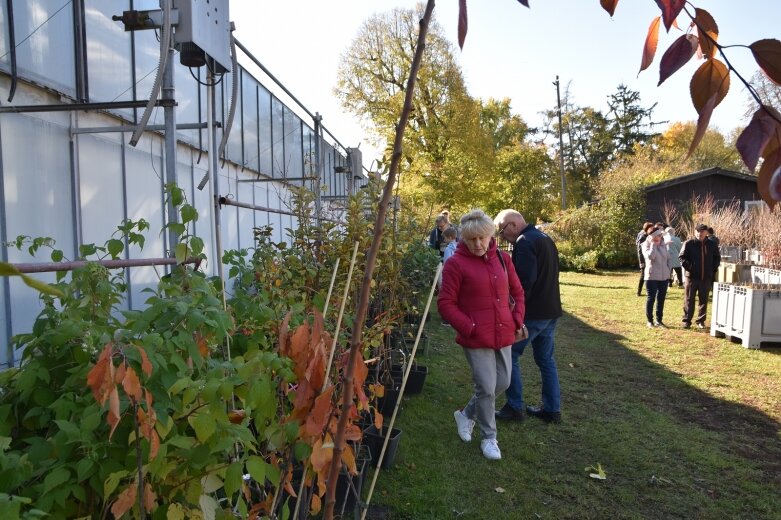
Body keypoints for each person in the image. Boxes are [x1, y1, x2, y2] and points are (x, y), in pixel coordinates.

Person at [438, 209, 527, 460]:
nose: (478, 244)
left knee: (504, 382)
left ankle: (466, 415)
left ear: (490, 236)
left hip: (504, 332)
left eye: (482, 238)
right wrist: (470, 327)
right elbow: (445, 303)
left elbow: (518, 292)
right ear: (464, 239)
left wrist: (517, 318)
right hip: (476, 337)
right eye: (471, 239)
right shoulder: (456, 264)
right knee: (487, 387)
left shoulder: (502, 259)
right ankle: (490, 438)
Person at [493, 209, 563, 424]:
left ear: (512, 224)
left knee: (509, 355)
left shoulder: (525, 242)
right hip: (551, 310)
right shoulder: (544, 237)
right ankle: (552, 409)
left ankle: (514, 407)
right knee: (545, 360)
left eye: (503, 231)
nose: (503, 236)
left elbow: (523, 282)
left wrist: (513, 310)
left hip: (534, 313)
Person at [679, 223, 721, 329]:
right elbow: (682, 258)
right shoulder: (688, 243)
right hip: (691, 277)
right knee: (689, 299)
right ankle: (687, 320)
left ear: (706, 233)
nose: (699, 233)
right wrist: (691, 267)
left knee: (703, 300)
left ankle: (701, 321)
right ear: (695, 232)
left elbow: (717, 258)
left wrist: (711, 269)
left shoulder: (712, 244)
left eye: (702, 232)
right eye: (698, 231)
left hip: (705, 277)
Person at [643, 228, 672, 328]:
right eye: (658, 235)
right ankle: (650, 321)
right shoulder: (645, 245)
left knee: (661, 299)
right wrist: (653, 245)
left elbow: (668, 258)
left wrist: (669, 270)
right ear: (652, 236)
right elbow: (651, 256)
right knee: (651, 298)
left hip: (664, 277)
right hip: (652, 277)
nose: (660, 237)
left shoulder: (664, 245)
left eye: (660, 235)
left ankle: (659, 320)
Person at [636, 222, 655, 296]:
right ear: (647, 228)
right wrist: (641, 262)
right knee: (643, 275)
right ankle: (639, 291)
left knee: (650, 275)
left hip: (650, 258)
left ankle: (649, 290)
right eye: (651, 228)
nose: (653, 229)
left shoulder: (650, 236)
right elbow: (640, 250)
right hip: (644, 259)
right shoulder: (643, 237)